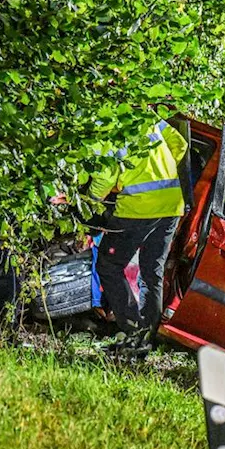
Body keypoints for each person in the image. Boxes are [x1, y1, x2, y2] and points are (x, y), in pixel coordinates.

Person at [88, 119, 187, 350]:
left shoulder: (107, 125)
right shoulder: (147, 116)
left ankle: (133, 331)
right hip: (172, 203)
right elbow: (181, 145)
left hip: (139, 206)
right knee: (152, 271)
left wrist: (88, 203)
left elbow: (104, 178)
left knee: (109, 264)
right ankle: (146, 338)